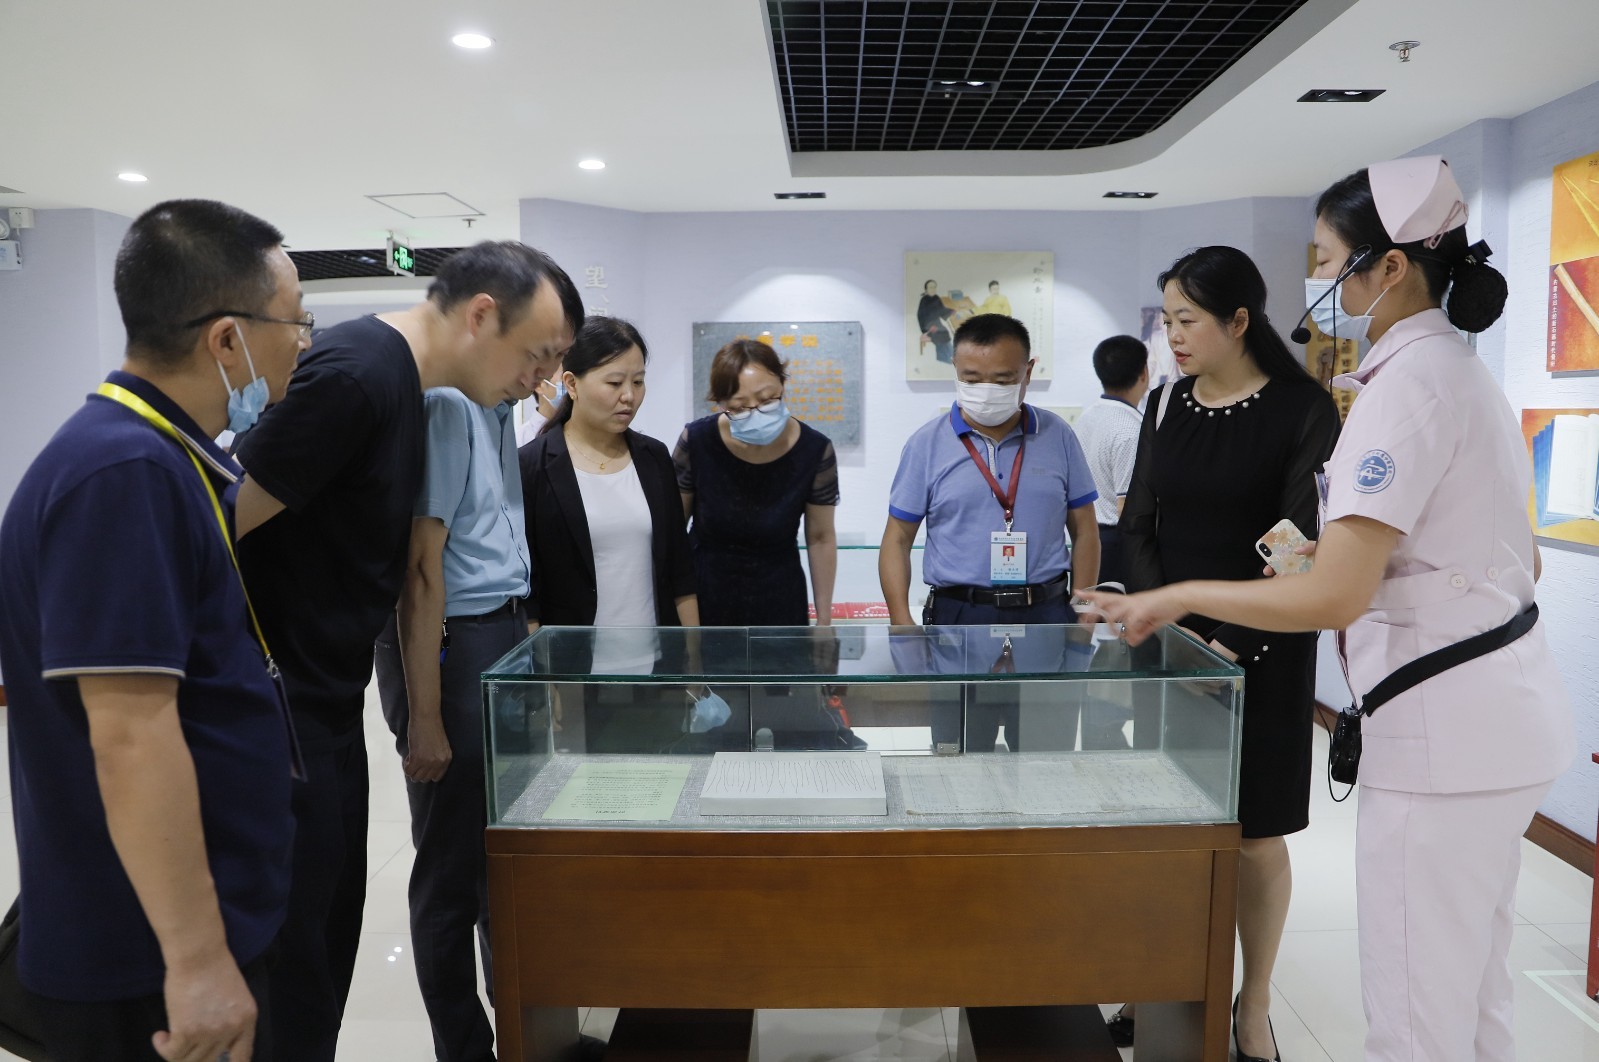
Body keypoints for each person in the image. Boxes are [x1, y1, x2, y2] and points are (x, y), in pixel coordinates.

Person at [1084, 156, 1576, 1062]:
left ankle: (1250, 1008)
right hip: (1495, 720)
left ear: (1387, 266)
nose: (1316, 278)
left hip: (1442, 734)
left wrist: (1177, 598)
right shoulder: (1457, 374)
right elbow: (1520, 559)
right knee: (1473, 992)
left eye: (1324, 258)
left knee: (1415, 1013)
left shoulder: (1402, 391)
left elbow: (1337, 592)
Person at [232, 241, 582, 1062]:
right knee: (301, 949)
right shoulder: (363, 373)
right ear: (482, 314)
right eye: (537, 354)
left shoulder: (407, 383)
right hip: (287, 702)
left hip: (328, 693)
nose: (542, 379)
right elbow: (214, 521)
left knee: (328, 936)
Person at [0, 199, 306, 1061]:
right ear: (227, 340)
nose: (303, 343)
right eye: (295, 323)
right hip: (146, 962)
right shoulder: (122, 470)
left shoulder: (164, 456)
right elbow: (131, 734)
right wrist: (198, 962)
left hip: (187, 926)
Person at [1098, 245, 1340, 1059]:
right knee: (1168, 826)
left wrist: (1226, 644)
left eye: (1186, 320)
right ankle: (1155, 979)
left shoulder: (1302, 409)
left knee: (1253, 835)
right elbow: (1137, 525)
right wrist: (1171, 633)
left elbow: (1300, 546)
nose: (1171, 336)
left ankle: (1253, 1001)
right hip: (1167, 652)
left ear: (1238, 321)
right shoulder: (1166, 403)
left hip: (1261, 652)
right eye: (1166, 320)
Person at [372, 295, 573, 1058]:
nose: (543, 373)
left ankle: (522, 1037)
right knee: (452, 866)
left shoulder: (497, 411)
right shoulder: (448, 408)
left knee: (505, 859)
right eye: (537, 354)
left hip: (499, 631)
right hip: (452, 642)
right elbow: (421, 570)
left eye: (557, 359)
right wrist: (425, 717)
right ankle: (463, 1049)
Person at [880, 313, 1100, 754]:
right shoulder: (926, 444)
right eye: (971, 378)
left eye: (1002, 379)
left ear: (1028, 372)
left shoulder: (1057, 436)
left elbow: (1085, 530)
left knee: (1046, 756)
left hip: (1046, 614)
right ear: (955, 371)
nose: (985, 390)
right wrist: (902, 624)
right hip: (959, 618)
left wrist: (1083, 611)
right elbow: (897, 539)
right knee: (959, 760)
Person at [519, 317, 698, 749]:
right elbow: (529, 589)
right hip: (574, 675)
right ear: (571, 384)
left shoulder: (654, 458)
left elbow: (679, 570)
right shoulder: (534, 465)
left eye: (638, 381)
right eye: (615, 382)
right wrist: (544, 679)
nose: (629, 396)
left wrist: (694, 660)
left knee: (660, 778)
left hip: (656, 667)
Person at [675, 338, 839, 626]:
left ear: (782, 385)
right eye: (739, 407)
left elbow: (821, 538)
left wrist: (824, 621)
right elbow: (674, 531)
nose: (756, 413)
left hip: (779, 596)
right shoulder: (698, 441)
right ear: (721, 404)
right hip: (705, 595)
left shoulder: (814, 450)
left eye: (767, 400)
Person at [1073, 334, 1150, 587]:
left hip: (1086, 535)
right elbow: (1126, 507)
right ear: (1144, 373)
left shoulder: (1088, 416)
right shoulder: (1131, 429)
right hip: (1116, 544)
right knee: (1114, 611)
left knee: (1087, 608)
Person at [916, 279, 954, 363]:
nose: (933, 289)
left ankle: (949, 354)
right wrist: (924, 330)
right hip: (927, 325)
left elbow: (942, 310)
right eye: (930, 287)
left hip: (936, 322)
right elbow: (920, 316)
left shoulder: (936, 297)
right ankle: (944, 357)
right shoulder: (924, 300)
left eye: (934, 287)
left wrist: (952, 311)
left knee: (945, 332)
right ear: (926, 289)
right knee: (940, 334)